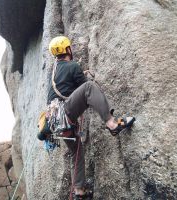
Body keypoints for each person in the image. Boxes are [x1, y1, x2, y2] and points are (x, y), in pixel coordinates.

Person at [45, 36, 135, 200]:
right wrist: (86, 76)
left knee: (76, 152)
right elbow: (85, 87)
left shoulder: (53, 73)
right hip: (65, 114)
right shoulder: (72, 66)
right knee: (90, 87)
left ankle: (79, 191)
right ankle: (112, 124)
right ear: (68, 50)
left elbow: (63, 91)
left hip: (56, 124)